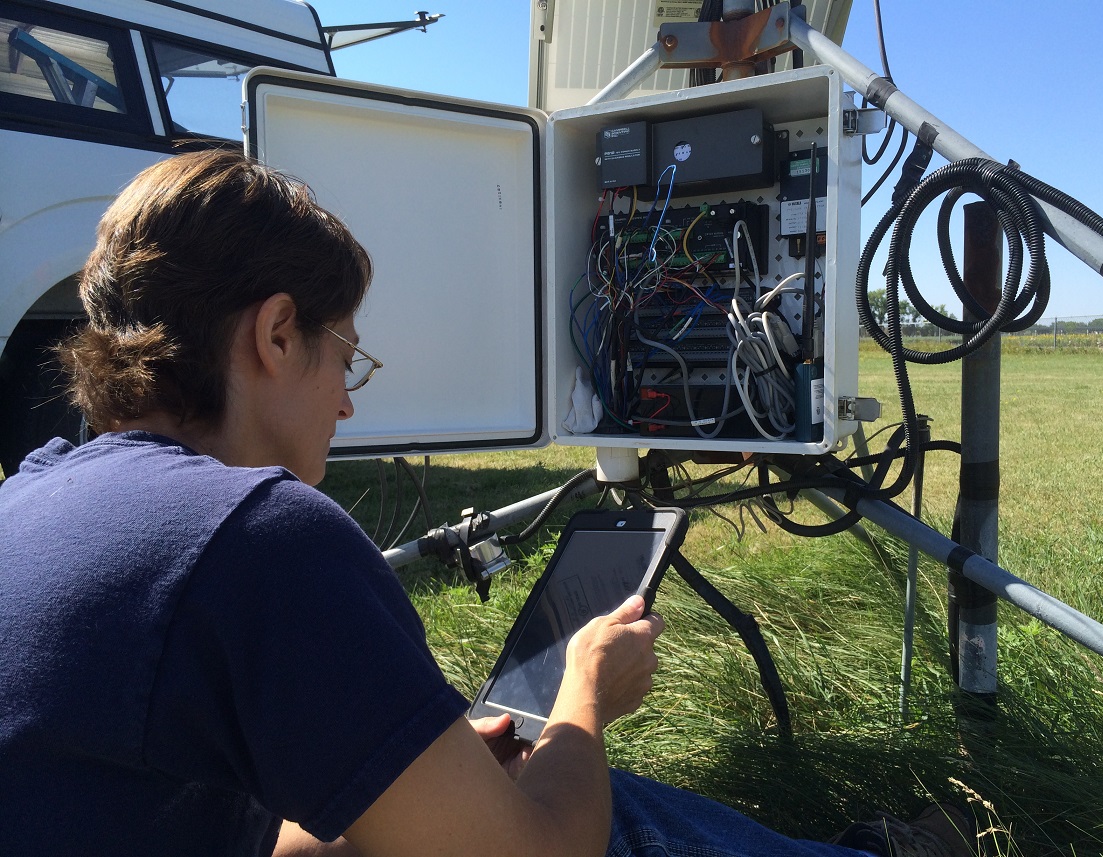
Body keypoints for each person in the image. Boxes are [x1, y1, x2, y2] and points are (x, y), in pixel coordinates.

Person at [0, 150, 977, 857]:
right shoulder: (258, 535)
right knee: (599, 807)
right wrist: (583, 695)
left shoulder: (32, 494)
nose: (345, 398)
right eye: (348, 354)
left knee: (500, 786)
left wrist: (398, 775)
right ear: (277, 332)